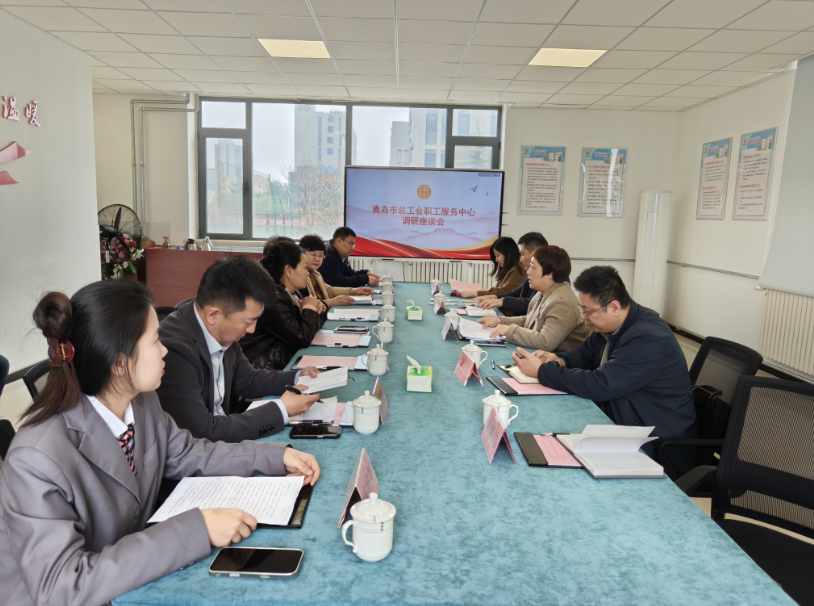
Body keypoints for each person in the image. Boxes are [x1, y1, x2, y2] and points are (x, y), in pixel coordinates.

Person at [0, 281, 320, 606]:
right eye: (155, 340)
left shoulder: (142, 402)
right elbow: (62, 588)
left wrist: (275, 457)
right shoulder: (35, 458)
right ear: (119, 362)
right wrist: (197, 528)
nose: (164, 349)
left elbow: (190, 452)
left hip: (129, 582)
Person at [512, 266, 697, 479]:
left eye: (587, 311)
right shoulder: (610, 327)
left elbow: (601, 384)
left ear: (614, 307)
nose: (583, 317)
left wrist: (542, 371)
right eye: (581, 310)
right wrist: (558, 360)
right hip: (623, 425)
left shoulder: (648, 338)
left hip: (655, 446)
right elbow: (584, 355)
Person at [157, 256, 320, 443]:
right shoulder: (174, 351)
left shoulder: (221, 328)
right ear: (213, 315)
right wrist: (281, 409)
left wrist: (297, 377)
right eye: (248, 321)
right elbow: (203, 431)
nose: (252, 330)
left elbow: (248, 380)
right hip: (202, 448)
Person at [477, 246, 590, 352]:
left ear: (551, 274)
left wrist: (508, 330)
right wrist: (499, 321)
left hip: (562, 361)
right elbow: (530, 320)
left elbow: (545, 342)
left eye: (533, 267)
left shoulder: (561, 302)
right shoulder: (543, 292)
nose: (528, 272)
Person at [240, 240, 325, 371]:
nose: (308, 273)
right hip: (265, 369)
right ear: (289, 271)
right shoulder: (273, 298)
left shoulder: (291, 291)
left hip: (282, 359)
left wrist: (314, 309)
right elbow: (301, 338)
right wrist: (310, 309)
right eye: (304, 268)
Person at [474, 231, 548, 316]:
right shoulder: (530, 273)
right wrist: (495, 297)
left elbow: (530, 304)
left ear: (535, 252)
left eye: (522, 254)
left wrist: (502, 302)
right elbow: (514, 294)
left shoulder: (545, 276)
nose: (520, 259)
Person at [298, 233, 373, 308]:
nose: (317, 259)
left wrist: (353, 291)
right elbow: (308, 305)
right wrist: (332, 302)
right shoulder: (300, 276)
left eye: (320, 255)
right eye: (313, 255)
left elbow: (329, 290)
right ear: (302, 254)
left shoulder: (315, 273)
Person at [458, 236, 525, 298]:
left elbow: (503, 292)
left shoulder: (518, 270)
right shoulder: (508, 268)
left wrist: (472, 293)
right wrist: (483, 291)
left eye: (498, 255)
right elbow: (499, 290)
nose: (496, 260)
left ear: (508, 254)